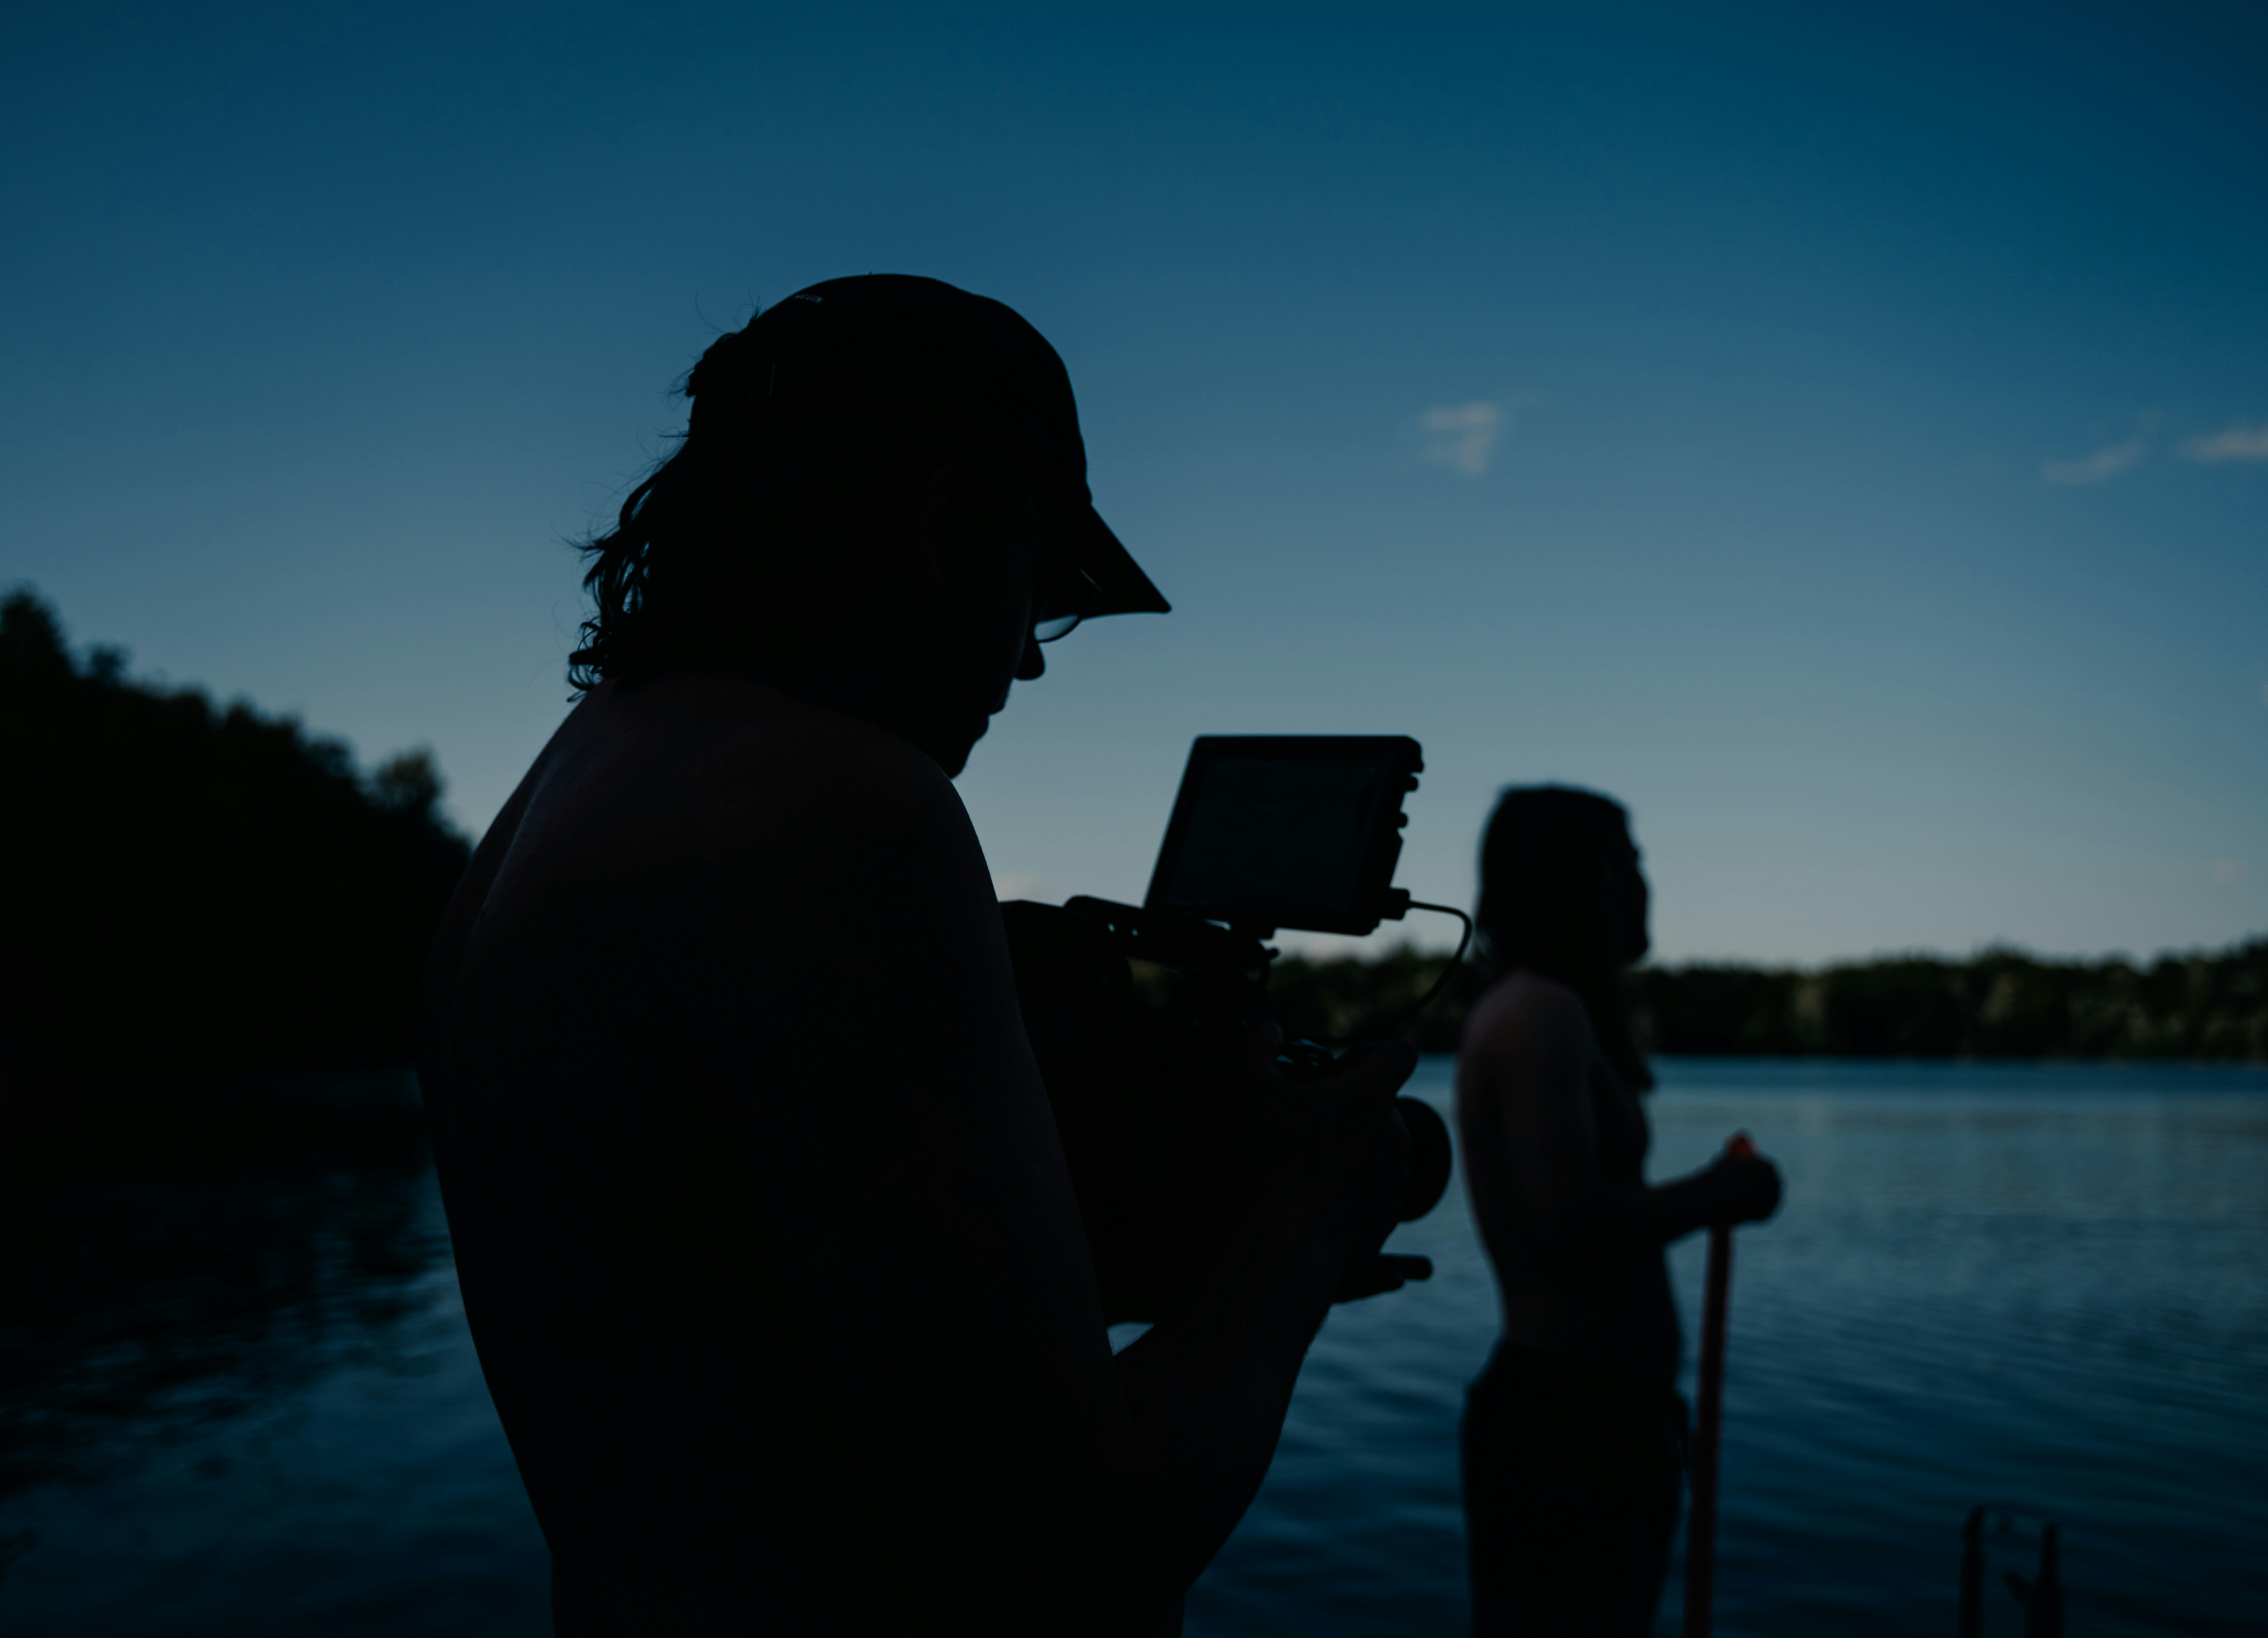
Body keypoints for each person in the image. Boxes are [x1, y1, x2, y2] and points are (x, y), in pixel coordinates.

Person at [414, 275, 1424, 1636]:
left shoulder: (570, 787)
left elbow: (749, 1321)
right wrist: (1304, 1220)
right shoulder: (833, 809)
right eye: (1045, 593)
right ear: (951, 524)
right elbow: (1075, 1571)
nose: (1028, 667)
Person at [1453, 786, 1782, 1637]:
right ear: (1571, 879)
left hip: (1584, 1419)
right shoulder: (1541, 1012)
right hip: (1573, 1431)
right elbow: (1566, 1222)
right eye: (1624, 862)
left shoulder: (1531, 1006)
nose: (1642, 885)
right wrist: (1719, 1195)